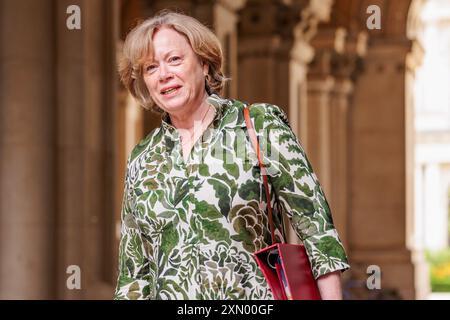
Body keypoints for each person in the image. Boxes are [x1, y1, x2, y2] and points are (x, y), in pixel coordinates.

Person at [113, 10, 349, 300]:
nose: (164, 75)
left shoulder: (260, 126)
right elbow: (133, 276)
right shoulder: (143, 157)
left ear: (203, 63)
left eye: (174, 59)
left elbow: (317, 232)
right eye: (150, 68)